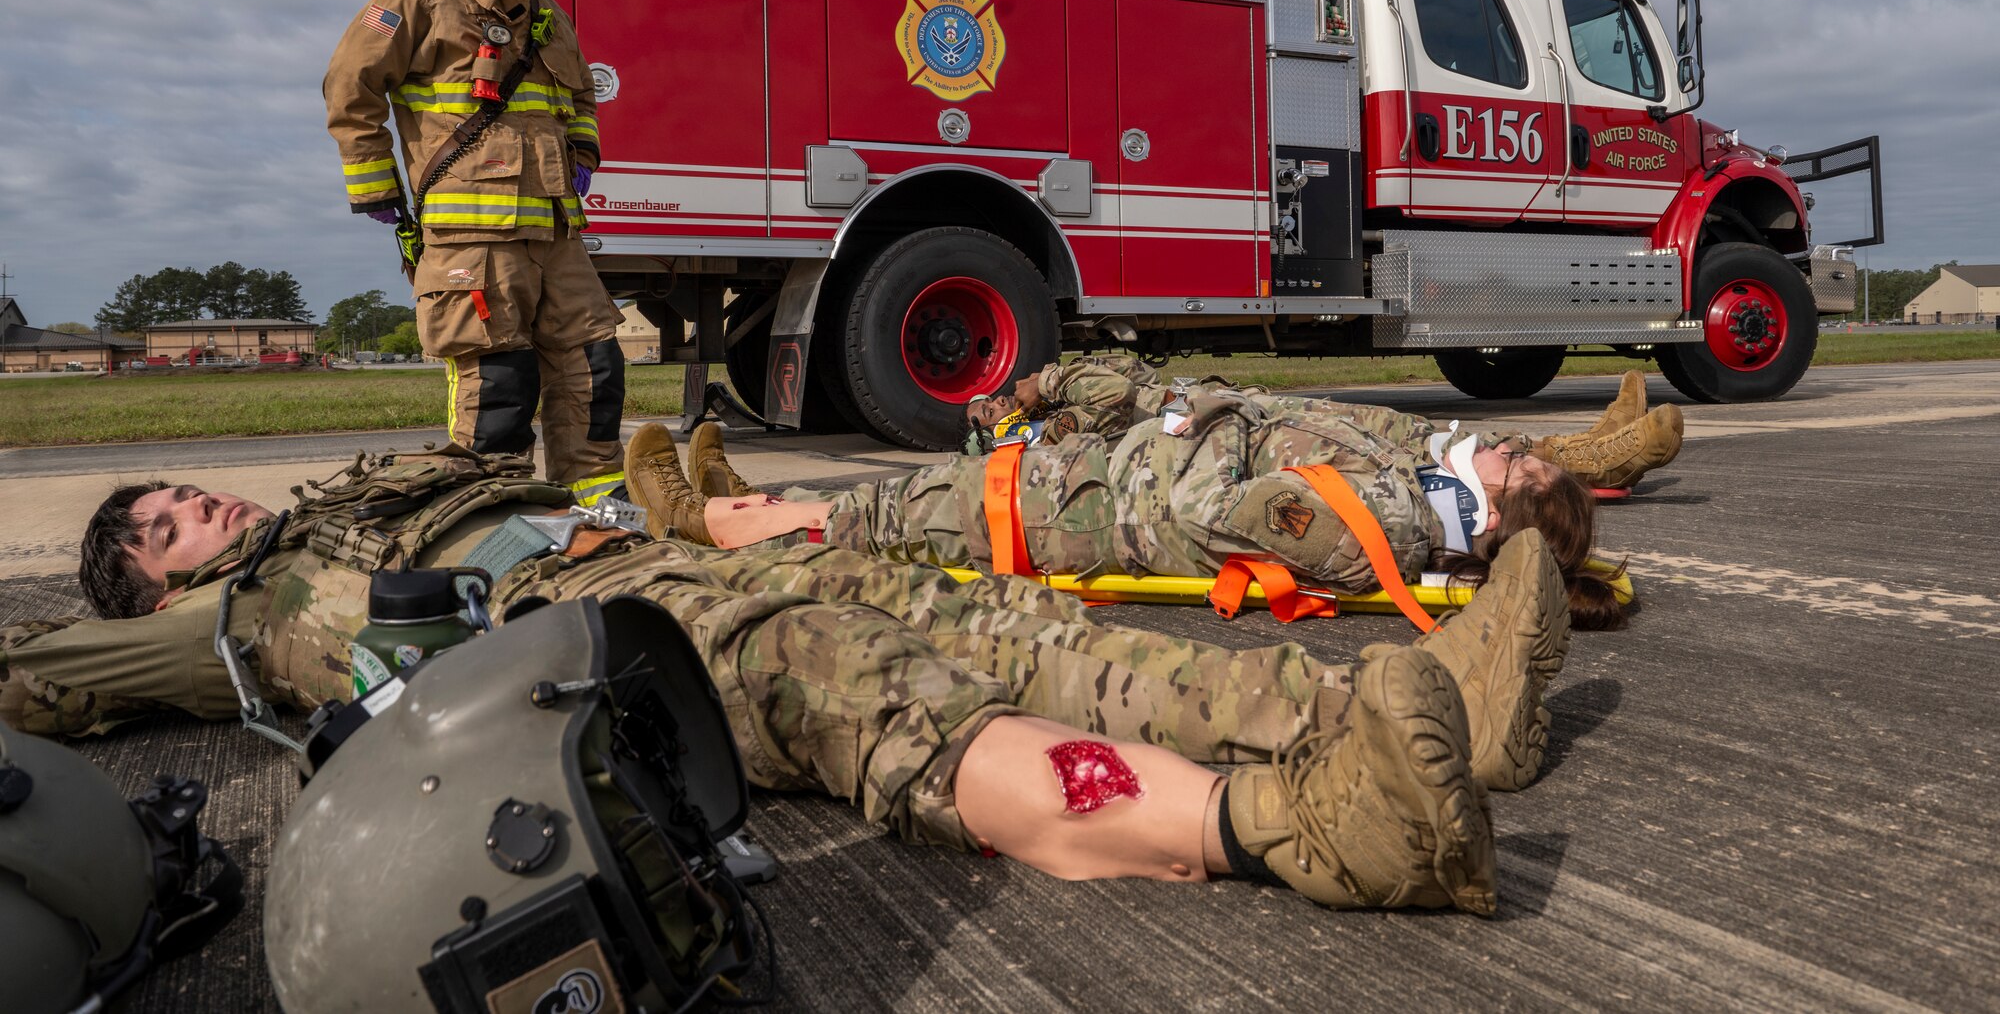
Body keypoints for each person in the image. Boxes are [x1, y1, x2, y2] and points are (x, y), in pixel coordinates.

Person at [6, 449, 1573, 913]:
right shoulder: (225, 618)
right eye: (156, 528)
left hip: (658, 553)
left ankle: (1414, 717)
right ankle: (1312, 829)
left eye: (180, 492)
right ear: (151, 583)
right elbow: (39, 682)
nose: (192, 510)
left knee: (1018, 629)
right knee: (893, 702)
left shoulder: (351, 491)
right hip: (595, 633)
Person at [638, 377, 1629, 629]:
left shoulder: (1390, 516)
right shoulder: (1411, 483)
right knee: (893, 502)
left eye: (1526, 470)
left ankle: (701, 524)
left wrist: (1211, 415)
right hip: (1093, 481)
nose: (1512, 449)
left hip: (1085, 512)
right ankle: (748, 500)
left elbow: (1210, 511)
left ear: (1501, 516)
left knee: (886, 521)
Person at [324, 0, 627, 507]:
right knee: (500, 396)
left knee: (597, 374)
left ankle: (601, 525)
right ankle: (496, 539)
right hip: (473, 242)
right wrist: (377, 188)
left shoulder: (548, 15)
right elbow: (350, 83)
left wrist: (581, 154)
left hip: (556, 238)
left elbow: (580, 95)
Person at [969, 358, 1683, 492]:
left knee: (1415, 432)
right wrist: (1047, 383)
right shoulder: (1052, 433)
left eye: (1003, 395)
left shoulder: (1059, 416)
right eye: (997, 406)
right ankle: (1592, 463)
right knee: (1408, 457)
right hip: (1244, 440)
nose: (1007, 396)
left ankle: (1586, 449)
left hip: (1253, 411)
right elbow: (1116, 391)